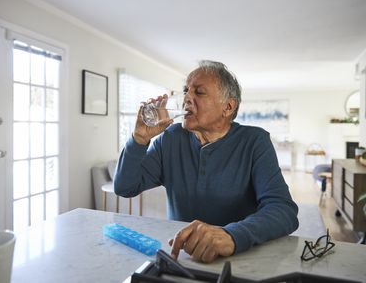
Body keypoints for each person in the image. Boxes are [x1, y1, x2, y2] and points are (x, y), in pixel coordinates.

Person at [114, 60, 298, 263]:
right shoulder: (171, 138)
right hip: (181, 256)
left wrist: (232, 235)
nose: (187, 98)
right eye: (186, 90)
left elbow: (283, 210)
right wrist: (139, 139)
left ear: (228, 107)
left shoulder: (255, 141)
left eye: (199, 92)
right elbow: (125, 187)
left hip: (239, 257)